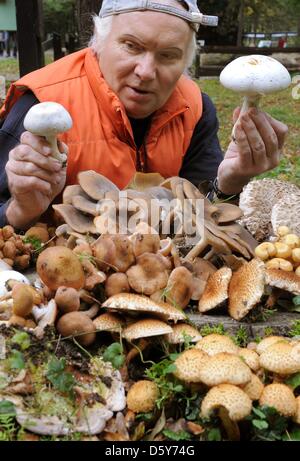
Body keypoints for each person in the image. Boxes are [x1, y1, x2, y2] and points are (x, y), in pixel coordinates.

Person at [0, 0, 288, 230]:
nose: (146, 72)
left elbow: (204, 215)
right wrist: (21, 210)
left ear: (186, 60)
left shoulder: (195, 108)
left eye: (168, 55)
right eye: (131, 46)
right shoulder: (40, 103)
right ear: (97, 42)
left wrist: (230, 182)